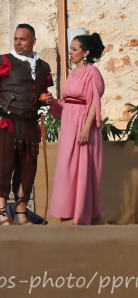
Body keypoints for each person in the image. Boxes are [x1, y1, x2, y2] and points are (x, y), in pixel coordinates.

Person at [0, 24, 54, 225]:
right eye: (16, 39)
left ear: (33, 41)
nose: (18, 42)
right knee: (3, 167)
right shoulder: (4, 62)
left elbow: (43, 93)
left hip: (30, 124)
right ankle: (2, 215)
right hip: (7, 122)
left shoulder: (43, 67)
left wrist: (45, 99)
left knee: (27, 170)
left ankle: (21, 214)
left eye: (22, 39)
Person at [48, 33, 106, 225]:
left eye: (74, 49)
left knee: (83, 168)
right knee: (68, 168)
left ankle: (84, 215)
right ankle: (70, 211)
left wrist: (86, 128)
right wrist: (52, 102)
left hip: (83, 124)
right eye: (70, 48)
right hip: (69, 125)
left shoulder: (92, 73)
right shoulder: (72, 73)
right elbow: (69, 102)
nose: (70, 52)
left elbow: (94, 103)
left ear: (86, 52)